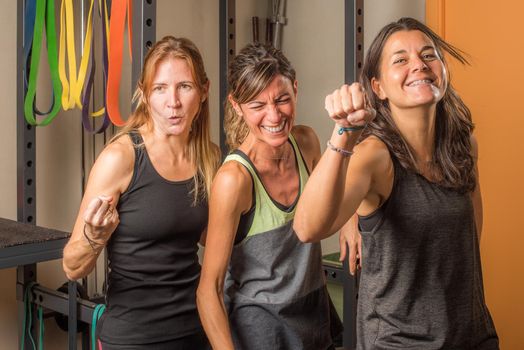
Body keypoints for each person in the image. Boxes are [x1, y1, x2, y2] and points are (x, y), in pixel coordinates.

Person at [294, 17, 499, 350]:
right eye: (401, 60)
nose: (419, 65)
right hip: (400, 342)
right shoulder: (374, 156)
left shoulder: (464, 145)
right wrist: (343, 132)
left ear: (443, 71)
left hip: (473, 337)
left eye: (429, 55)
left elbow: (470, 238)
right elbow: (307, 228)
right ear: (378, 88)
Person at [62, 36, 219, 349]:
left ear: (203, 92)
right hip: (133, 337)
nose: (172, 101)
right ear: (145, 95)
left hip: (195, 330)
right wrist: (95, 236)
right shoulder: (121, 157)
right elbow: (72, 266)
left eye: (184, 86)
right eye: (160, 88)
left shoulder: (209, 157)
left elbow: (208, 237)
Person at [197, 43, 341, 350]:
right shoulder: (234, 180)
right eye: (257, 105)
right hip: (260, 331)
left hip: (314, 320)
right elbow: (208, 289)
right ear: (236, 105)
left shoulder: (306, 143)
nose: (273, 115)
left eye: (282, 99)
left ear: (296, 90)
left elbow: (340, 184)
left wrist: (353, 222)